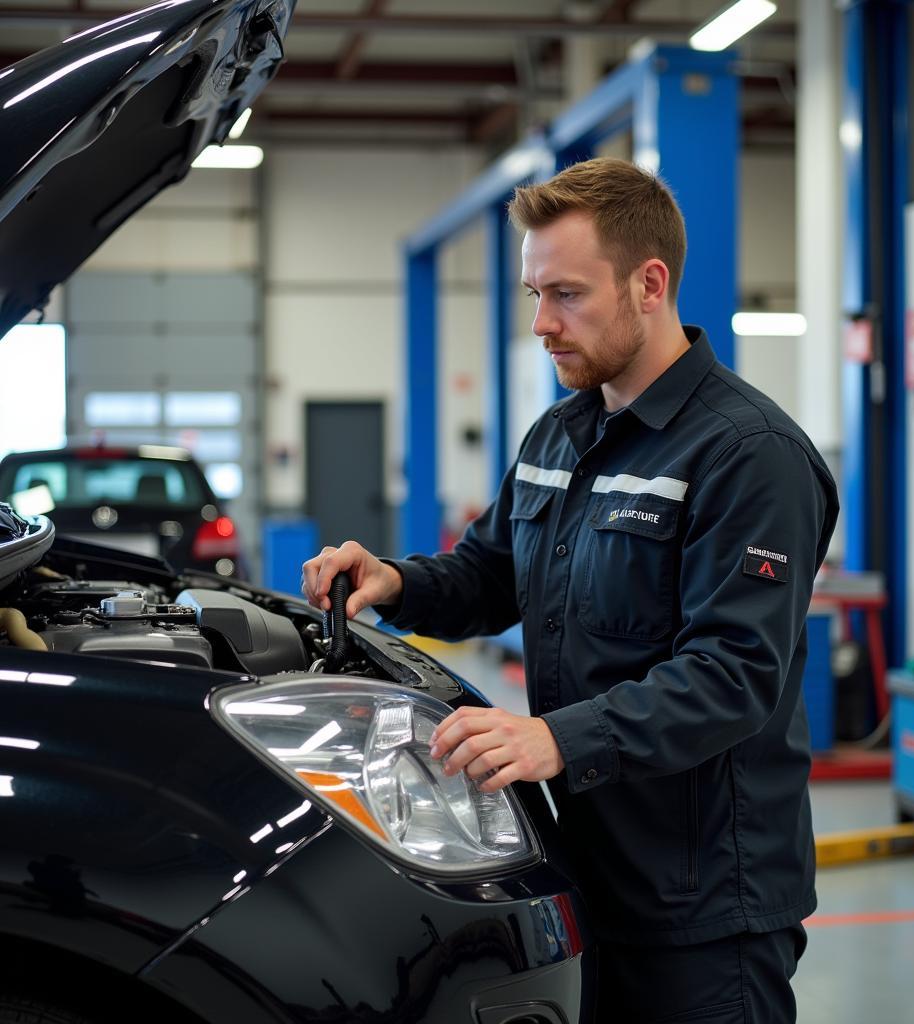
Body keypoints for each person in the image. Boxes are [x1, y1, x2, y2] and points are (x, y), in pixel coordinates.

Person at [302, 157, 839, 1023]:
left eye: (567, 295)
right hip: (587, 871)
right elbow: (493, 575)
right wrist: (394, 580)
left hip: (703, 904)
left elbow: (734, 672)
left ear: (649, 285)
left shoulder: (748, 456)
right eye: (533, 295)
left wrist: (554, 738)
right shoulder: (562, 433)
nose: (543, 324)